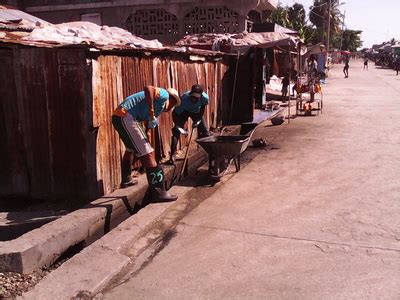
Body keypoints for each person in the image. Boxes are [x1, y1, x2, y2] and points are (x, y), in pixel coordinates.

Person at [111, 85, 181, 201]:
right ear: (172, 100)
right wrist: (151, 110)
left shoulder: (159, 109)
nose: (171, 108)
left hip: (120, 117)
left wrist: (147, 134)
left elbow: (148, 126)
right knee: (147, 152)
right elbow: (148, 88)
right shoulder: (164, 95)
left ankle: (126, 179)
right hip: (127, 116)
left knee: (131, 148)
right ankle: (159, 192)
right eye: (173, 104)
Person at [169, 84, 210, 163]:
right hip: (183, 112)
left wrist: (197, 120)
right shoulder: (184, 99)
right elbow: (175, 113)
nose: (194, 99)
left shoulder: (204, 98)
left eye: (196, 98)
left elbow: (202, 108)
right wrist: (177, 125)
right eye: (192, 96)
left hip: (196, 112)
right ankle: (172, 155)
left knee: (205, 132)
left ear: (200, 96)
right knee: (176, 132)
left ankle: (210, 152)